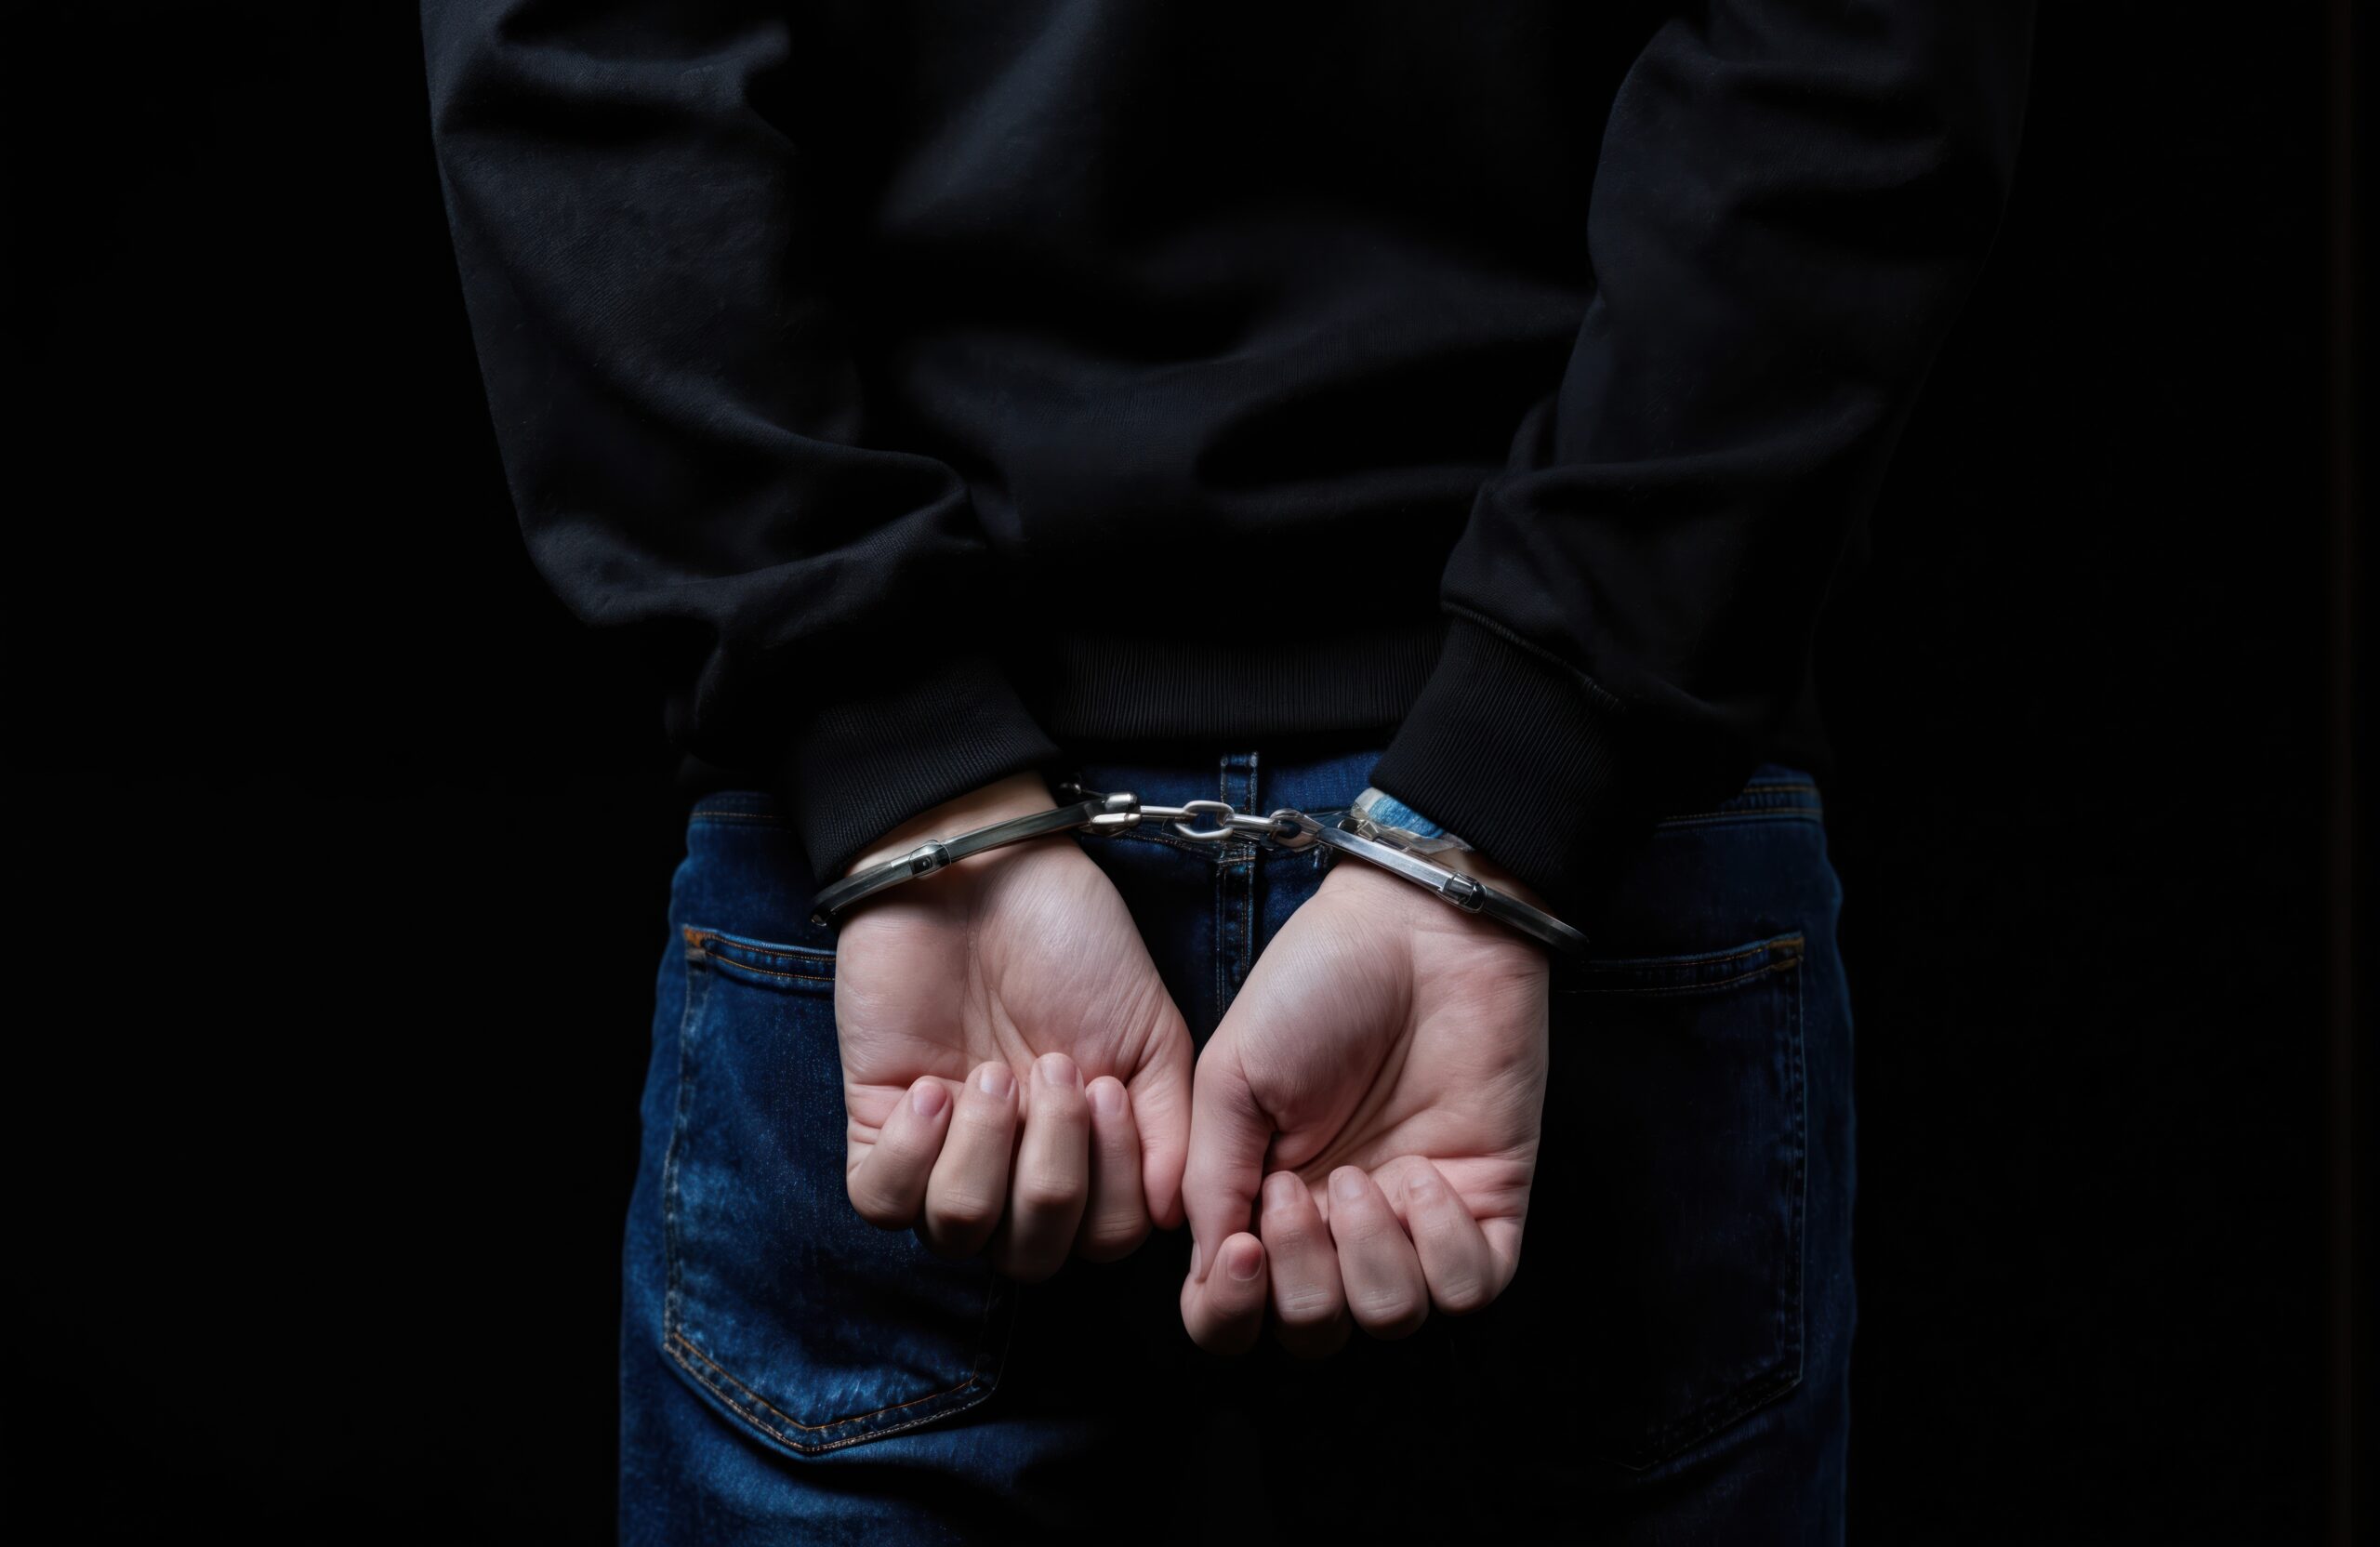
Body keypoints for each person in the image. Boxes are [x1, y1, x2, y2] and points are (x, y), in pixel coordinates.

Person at [421, 2, 2035, 1540]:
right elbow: (1860, 63)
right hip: (1582, 866)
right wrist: (1526, 771)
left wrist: (902, 756)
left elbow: (580, 61)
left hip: (919, 886)